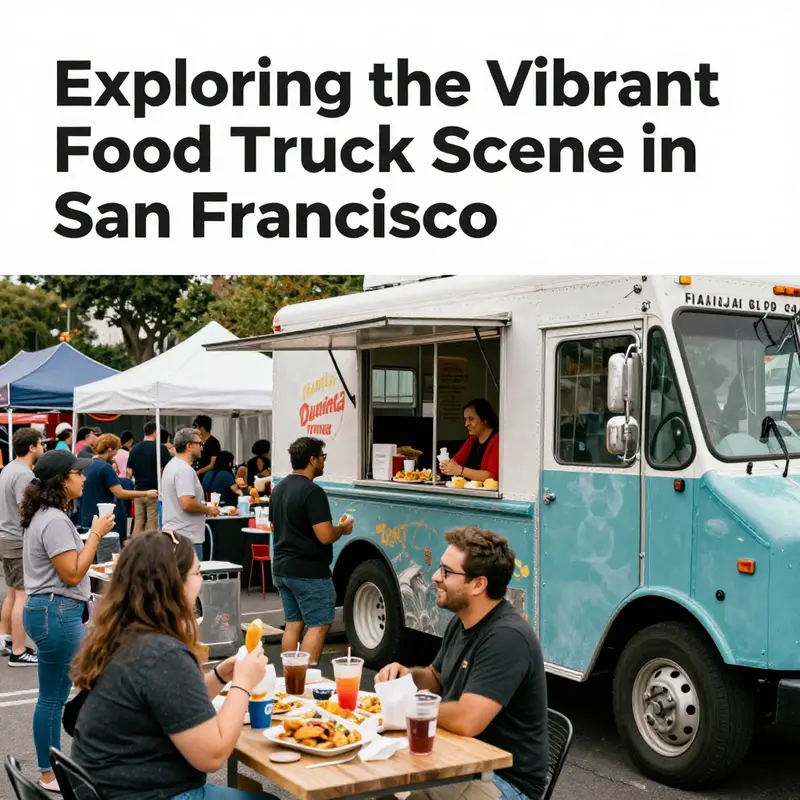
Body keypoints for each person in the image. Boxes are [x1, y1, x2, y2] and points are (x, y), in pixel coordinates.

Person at [70, 530, 279, 800]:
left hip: (110, 788)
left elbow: (176, 706)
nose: (201, 582)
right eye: (197, 573)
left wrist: (220, 675)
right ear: (174, 583)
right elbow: (213, 755)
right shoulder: (161, 653)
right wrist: (243, 683)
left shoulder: (124, 636)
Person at [376, 526, 548, 800]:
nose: (434, 577)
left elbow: (469, 720)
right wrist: (407, 676)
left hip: (505, 782)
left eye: (446, 571)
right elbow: (436, 676)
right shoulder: (463, 620)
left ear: (479, 584)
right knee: (382, 785)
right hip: (459, 761)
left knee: (396, 794)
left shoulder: (507, 638)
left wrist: (411, 705)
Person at [21, 449, 116, 792]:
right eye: (79, 473)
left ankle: (53, 768)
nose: (85, 478)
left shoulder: (47, 515)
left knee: (55, 696)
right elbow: (73, 574)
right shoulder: (55, 520)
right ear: (62, 481)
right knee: (52, 698)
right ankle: (49, 773)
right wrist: (95, 535)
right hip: (56, 612)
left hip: (50, 611)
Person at [269, 437, 353, 665]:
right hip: (309, 571)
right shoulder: (312, 492)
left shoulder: (278, 489)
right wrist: (343, 529)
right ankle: (303, 680)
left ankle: (289, 679)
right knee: (318, 624)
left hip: (282, 568)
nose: (324, 462)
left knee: (293, 623)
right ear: (312, 459)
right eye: (322, 457)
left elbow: (274, 526)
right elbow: (325, 535)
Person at [0, 428, 45, 666]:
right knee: (22, 595)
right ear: (31, 447)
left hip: (6, 537)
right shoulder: (24, 475)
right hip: (18, 539)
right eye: (41, 443)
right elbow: (24, 509)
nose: (44, 447)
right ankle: (18, 651)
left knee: (12, 591)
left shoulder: (9, 468)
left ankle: (6, 639)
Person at [79, 434, 158, 555]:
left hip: (86, 517)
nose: (117, 453)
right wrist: (146, 493)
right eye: (116, 449)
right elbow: (120, 493)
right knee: (107, 557)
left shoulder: (86, 465)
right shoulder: (105, 467)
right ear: (110, 449)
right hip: (103, 520)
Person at [162, 428, 220, 560]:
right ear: (189, 446)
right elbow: (186, 503)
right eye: (199, 444)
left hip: (176, 534)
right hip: (187, 537)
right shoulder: (184, 470)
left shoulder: (172, 465)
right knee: (190, 578)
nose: (202, 448)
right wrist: (208, 509)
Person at [128, 421, 173, 535]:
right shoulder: (160, 448)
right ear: (155, 432)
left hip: (138, 491)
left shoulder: (134, 449)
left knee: (139, 521)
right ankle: (149, 548)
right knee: (152, 522)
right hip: (153, 491)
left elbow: (129, 471)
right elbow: (168, 468)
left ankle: (134, 548)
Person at [440, 398, 500, 483]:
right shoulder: (472, 440)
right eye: (465, 419)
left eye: (471, 419)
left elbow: (492, 476)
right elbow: (456, 460)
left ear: (485, 419)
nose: (466, 424)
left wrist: (461, 470)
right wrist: (445, 467)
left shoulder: (497, 441)